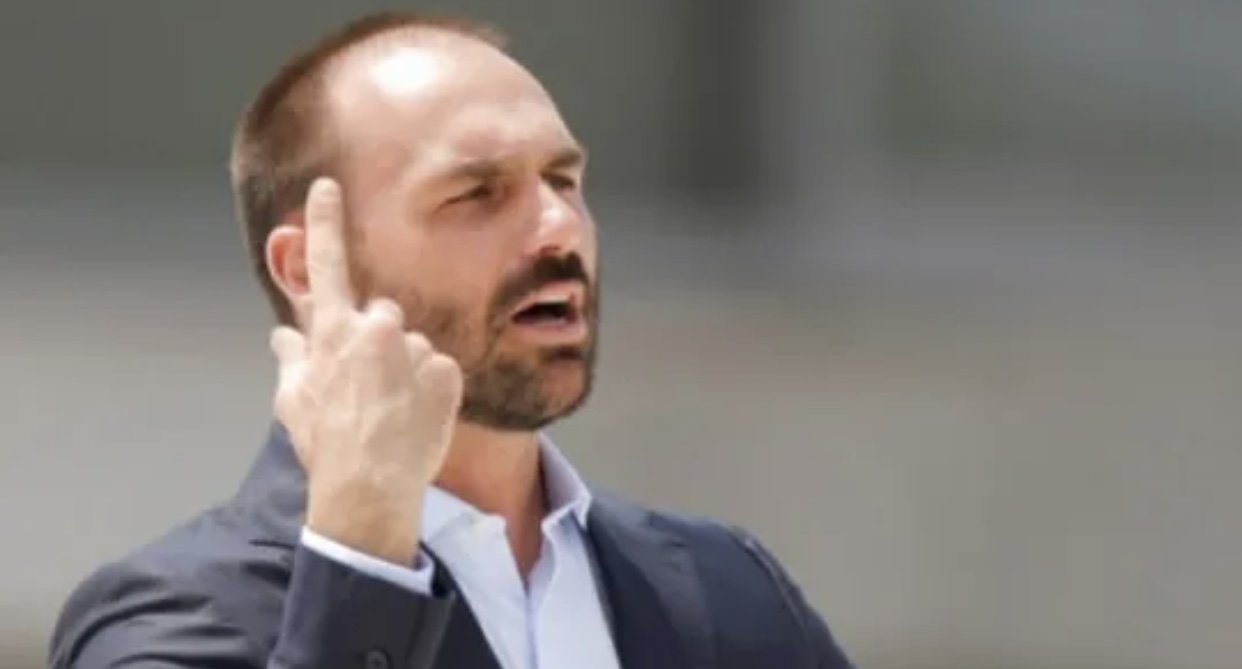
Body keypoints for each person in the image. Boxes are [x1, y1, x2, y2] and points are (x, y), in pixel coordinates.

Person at [49, 11, 854, 669]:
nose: (559, 226)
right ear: (308, 267)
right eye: (477, 193)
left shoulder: (727, 592)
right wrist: (360, 556)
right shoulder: (172, 617)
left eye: (563, 180)